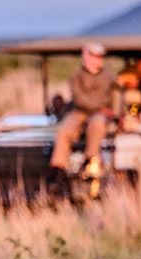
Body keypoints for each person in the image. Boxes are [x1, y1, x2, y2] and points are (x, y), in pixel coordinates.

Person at [50, 42, 114, 174]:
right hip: (80, 111)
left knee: (97, 124)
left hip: (100, 115)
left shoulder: (109, 78)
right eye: (95, 56)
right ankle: (58, 168)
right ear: (86, 57)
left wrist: (104, 109)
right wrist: (98, 105)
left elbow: (111, 99)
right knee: (64, 131)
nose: (98, 59)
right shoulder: (76, 77)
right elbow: (79, 99)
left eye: (100, 56)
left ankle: (90, 159)